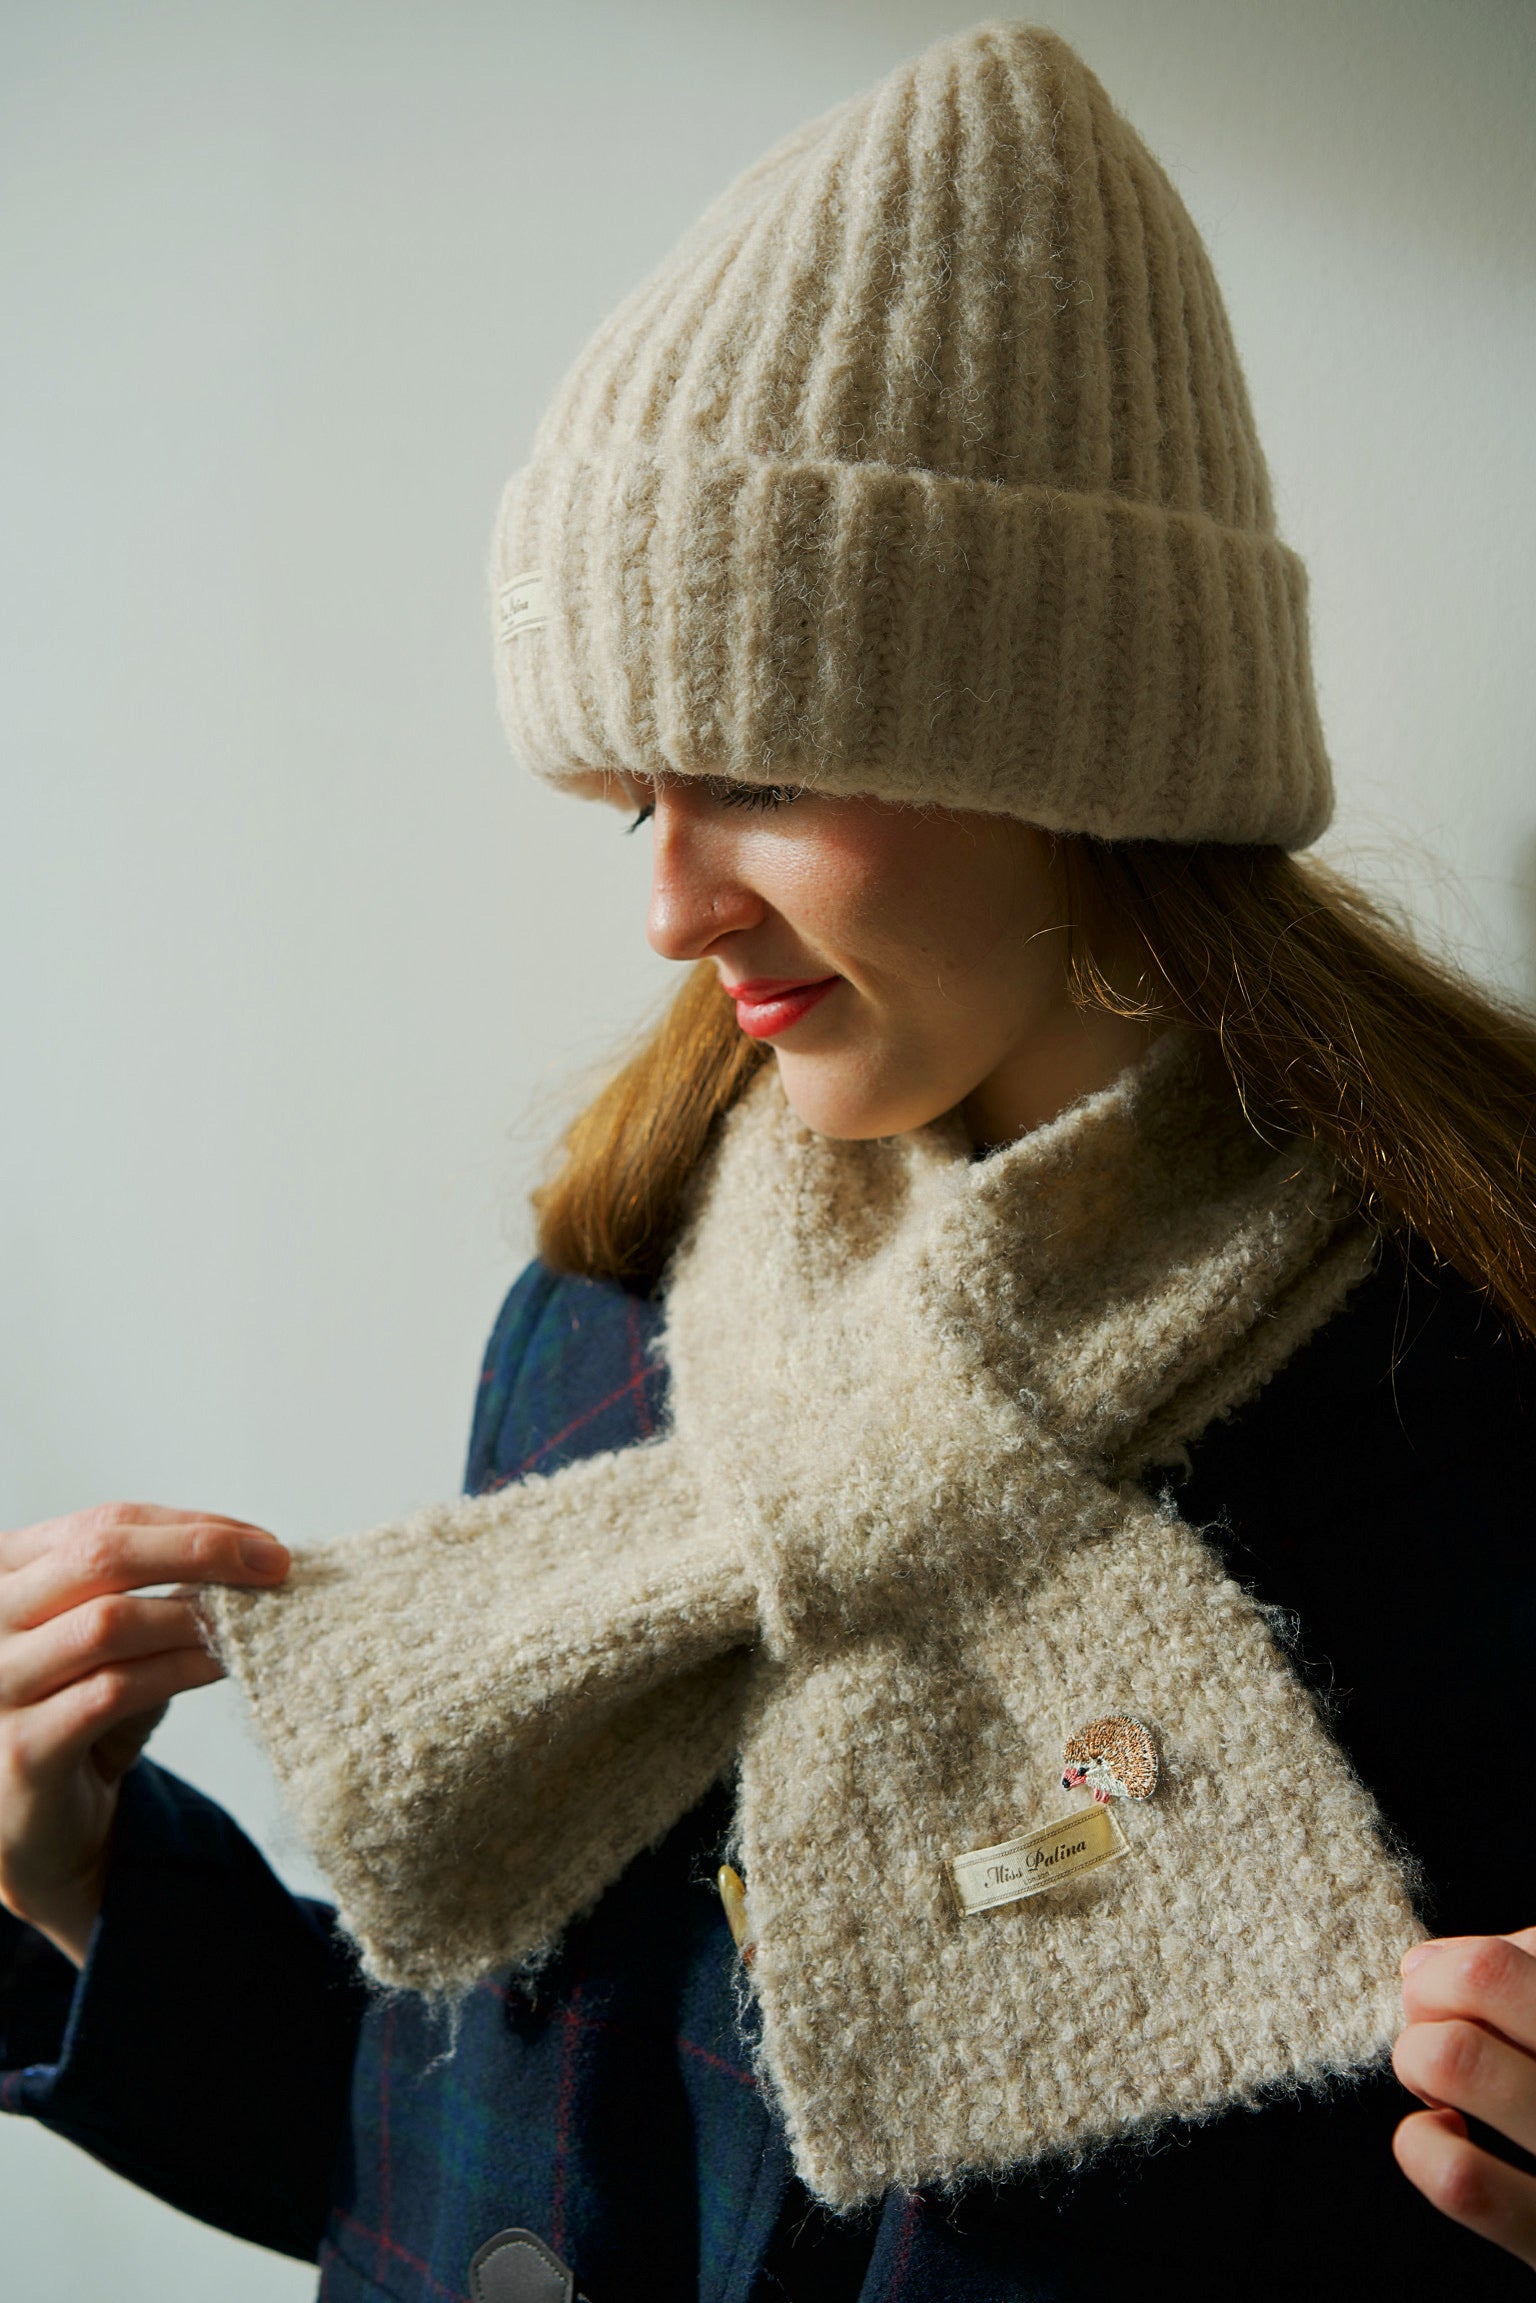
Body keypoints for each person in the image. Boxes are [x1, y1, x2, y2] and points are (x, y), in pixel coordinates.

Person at [2, 22, 1534, 2301]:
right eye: (637, 795)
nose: (669, 901)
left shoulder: (1467, 1409)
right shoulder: (605, 1329)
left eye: (764, 771)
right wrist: (85, 1888)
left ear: (1077, 742)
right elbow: (483, 2152)